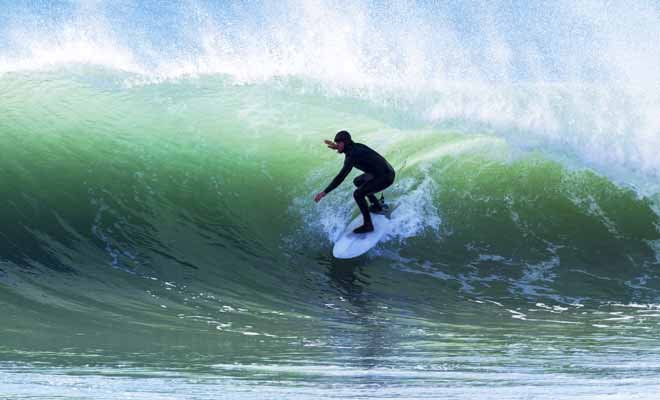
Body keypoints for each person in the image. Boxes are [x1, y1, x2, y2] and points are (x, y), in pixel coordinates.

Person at [314, 131, 395, 233]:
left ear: (344, 143)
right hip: (384, 171)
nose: (337, 145)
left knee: (358, 194)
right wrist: (338, 147)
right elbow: (346, 149)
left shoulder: (352, 156)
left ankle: (368, 225)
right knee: (358, 182)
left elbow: (341, 177)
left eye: (338, 143)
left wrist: (324, 193)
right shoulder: (355, 146)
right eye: (337, 143)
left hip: (385, 176)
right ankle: (376, 206)